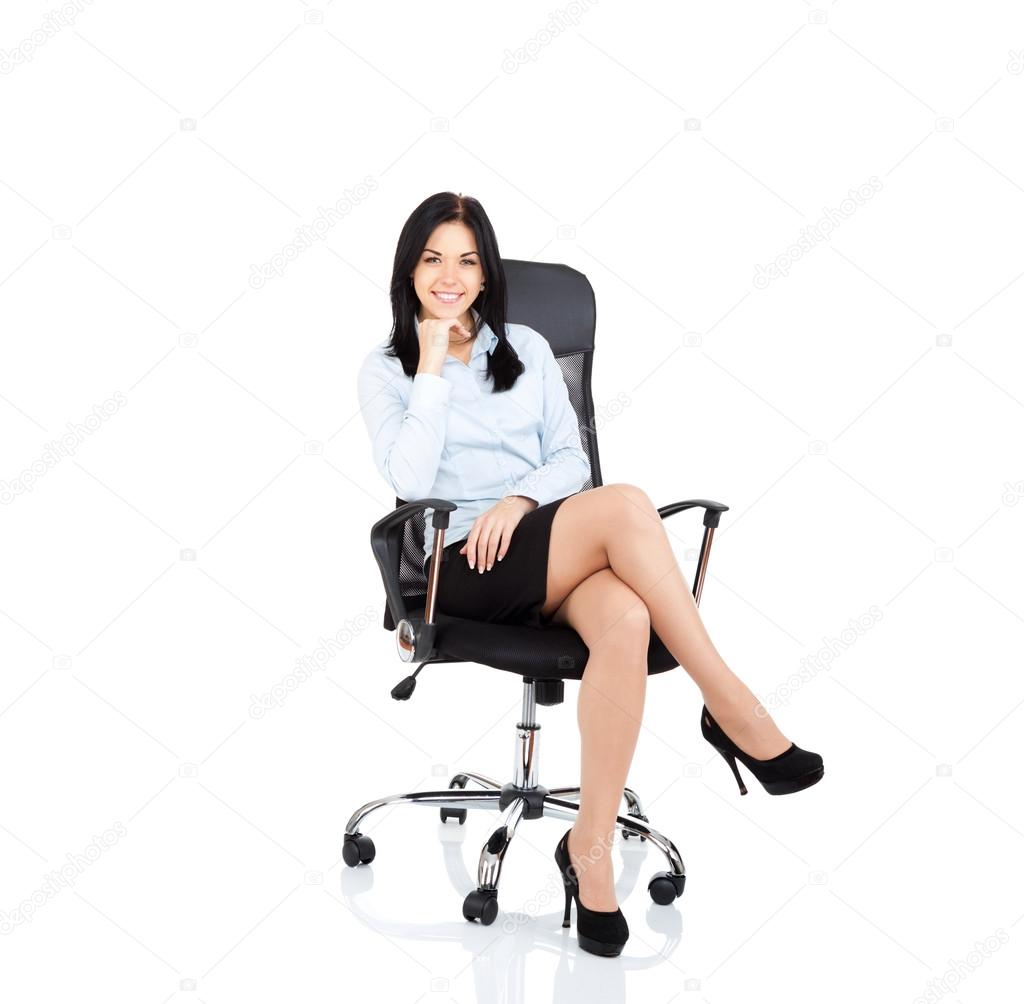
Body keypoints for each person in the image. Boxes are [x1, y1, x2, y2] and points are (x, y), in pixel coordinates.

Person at [357, 191, 823, 957]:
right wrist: (434, 365)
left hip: (542, 547)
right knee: (627, 506)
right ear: (409, 269)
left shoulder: (529, 351)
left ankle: (591, 851)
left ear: (486, 273)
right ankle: (732, 707)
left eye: (467, 260)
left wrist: (519, 498)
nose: (450, 275)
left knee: (628, 620)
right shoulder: (386, 370)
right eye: (433, 258)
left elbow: (571, 460)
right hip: (457, 566)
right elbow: (407, 475)